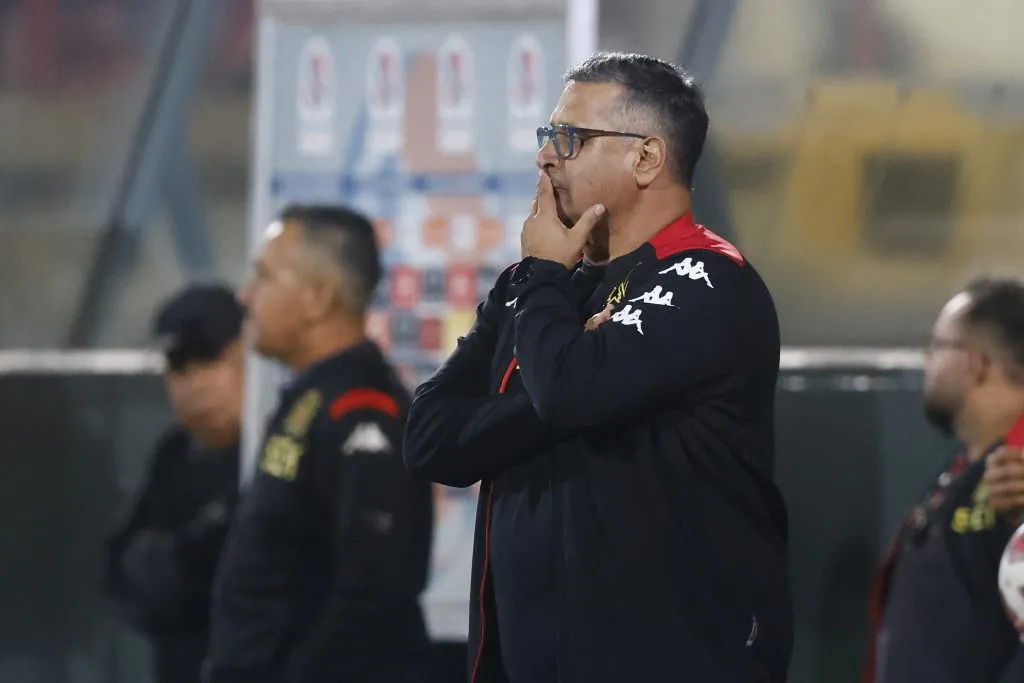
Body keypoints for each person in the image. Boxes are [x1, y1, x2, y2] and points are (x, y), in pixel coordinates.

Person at [404, 51, 793, 683]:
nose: (545, 156)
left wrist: (553, 327)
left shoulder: (708, 281)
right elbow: (429, 441)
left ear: (646, 157)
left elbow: (569, 393)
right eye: (547, 136)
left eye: (570, 139)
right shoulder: (535, 289)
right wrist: (558, 340)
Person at [204, 204, 434, 683]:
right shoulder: (313, 397)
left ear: (317, 298)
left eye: (264, 278)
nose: (247, 298)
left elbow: (373, 589)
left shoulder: (362, 408)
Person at [864, 277, 1024, 683]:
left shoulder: (1017, 468)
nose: (928, 360)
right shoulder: (962, 467)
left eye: (938, 346)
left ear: (976, 363)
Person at [105, 284, 245, 683]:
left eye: (210, 360)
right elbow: (122, 569)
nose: (195, 383)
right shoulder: (174, 453)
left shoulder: (275, 452)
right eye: (179, 366)